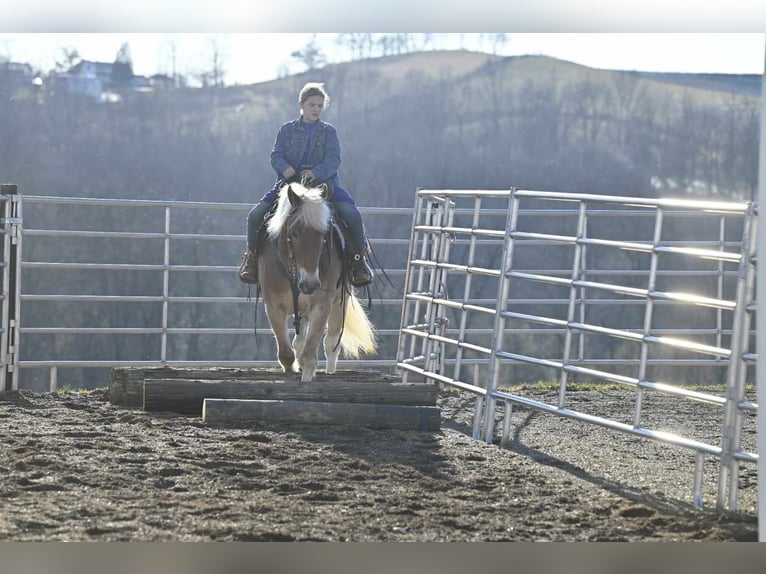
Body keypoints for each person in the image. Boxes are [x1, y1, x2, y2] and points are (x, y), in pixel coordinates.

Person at [238, 82, 374, 288]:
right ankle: (251, 259)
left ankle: (358, 262)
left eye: (320, 106)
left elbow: (333, 159)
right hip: (289, 187)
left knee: (352, 214)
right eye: (312, 105)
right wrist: (284, 168)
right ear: (301, 104)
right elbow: (276, 155)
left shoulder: (329, 132)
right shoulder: (287, 130)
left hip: (324, 186)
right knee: (256, 216)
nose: (316, 110)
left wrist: (316, 173)